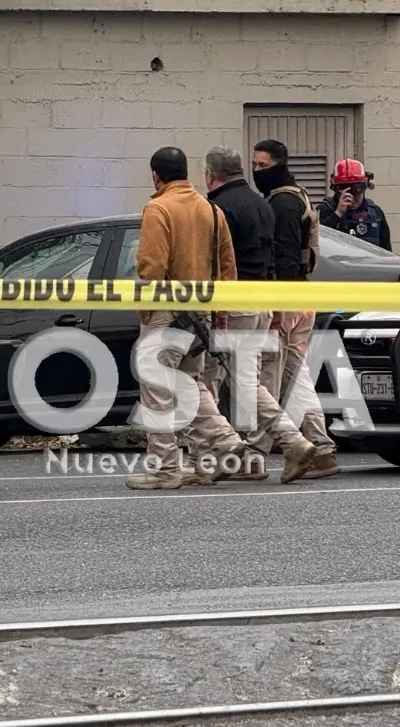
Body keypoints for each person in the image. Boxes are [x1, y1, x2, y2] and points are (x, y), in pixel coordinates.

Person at [126, 146, 315, 490]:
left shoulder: (158, 208)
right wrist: (219, 314)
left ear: (156, 176)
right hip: (204, 313)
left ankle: (165, 469)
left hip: (169, 311)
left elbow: (151, 266)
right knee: (193, 385)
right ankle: (225, 441)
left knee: (157, 387)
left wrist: (147, 311)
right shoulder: (211, 210)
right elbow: (227, 269)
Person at [179, 146, 320, 483]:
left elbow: (216, 263)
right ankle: (287, 442)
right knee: (247, 383)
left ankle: (210, 458)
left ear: (210, 175)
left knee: (206, 381)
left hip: (231, 304)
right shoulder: (263, 204)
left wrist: (214, 309)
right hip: (261, 301)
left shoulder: (217, 209)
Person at [247, 139, 339, 475]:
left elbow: (286, 257)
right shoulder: (295, 196)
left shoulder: (283, 204)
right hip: (301, 297)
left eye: (262, 166)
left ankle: (254, 454)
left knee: (266, 378)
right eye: (254, 165)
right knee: (295, 376)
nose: (257, 172)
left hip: (288, 300)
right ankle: (322, 448)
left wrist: (278, 309)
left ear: (279, 164)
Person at [317, 158, 392, 251]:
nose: (352, 198)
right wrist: (337, 214)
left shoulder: (376, 213)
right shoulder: (325, 209)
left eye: (356, 192)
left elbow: (386, 250)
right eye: (346, 192)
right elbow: (316, 241)